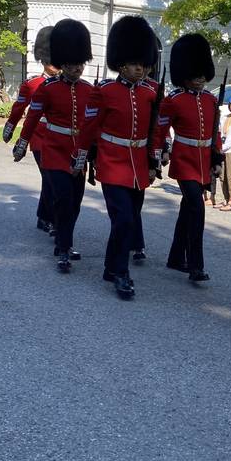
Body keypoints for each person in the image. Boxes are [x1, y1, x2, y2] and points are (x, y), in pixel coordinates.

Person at [77, 16, 159, 299]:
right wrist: (82, 157)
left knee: (129, 219)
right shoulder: (105, 92)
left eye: (144, 64)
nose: (141, 69)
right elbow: (89, 127)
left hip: (138, 164)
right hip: (112, 163)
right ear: (121, 63)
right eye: (135, 63)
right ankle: (121, 273)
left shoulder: (152, 93)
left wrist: (155, 158)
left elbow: (154, 129)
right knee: (123, 219)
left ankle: (111, 267)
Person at [13, 19, 94, 273]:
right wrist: (22, 142)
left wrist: (94, 153)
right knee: (62, 199)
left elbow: (94, 125)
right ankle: (63, 247)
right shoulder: (47, 89)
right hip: (54, 150)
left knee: (76, 201)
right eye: (71, 64)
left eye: (80, 64)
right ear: (62, 63)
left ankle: (64, 240)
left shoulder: (90, 90)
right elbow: (33, 117)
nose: (76, 68)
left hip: (77, 153)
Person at [154, 33, 221, 282]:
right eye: (196, 74)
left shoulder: (211, 100)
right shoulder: (173, 101)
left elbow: (216, 133)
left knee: (187, 208)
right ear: (185, 75)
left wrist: (217, 159)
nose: (201, 79)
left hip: (203, 160)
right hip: (184, 160)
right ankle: (195, 265)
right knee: (196, 207)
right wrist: (159, 151)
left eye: (203, 74)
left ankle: (175, 257)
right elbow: (160, 130)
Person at [2, 26, 60, 234]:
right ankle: (50, 219)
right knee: (50, 179)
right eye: (52, 60)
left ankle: (44, 218)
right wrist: (11, 128)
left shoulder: (66, 85)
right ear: (44, 60)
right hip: (39, 138)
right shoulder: (33, 84)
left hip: (59, 139)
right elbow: (19, 107)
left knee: (53, 180)